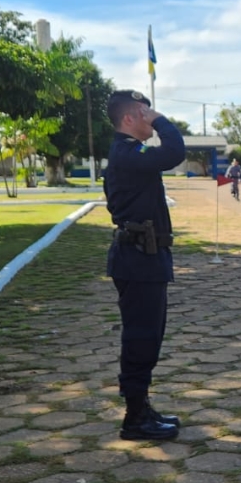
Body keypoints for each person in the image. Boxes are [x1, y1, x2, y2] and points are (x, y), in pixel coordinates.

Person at [104, 90, 183, 441]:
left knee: (149, 336)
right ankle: (134, 418)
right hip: (137, 258)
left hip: (144, 257)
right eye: (143, 111)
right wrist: (161, 121)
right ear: (128, 119)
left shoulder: (130, 154)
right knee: (140, 337)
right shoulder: (126, 152)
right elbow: (174, 153)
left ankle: (142, 405)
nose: (150, 116)